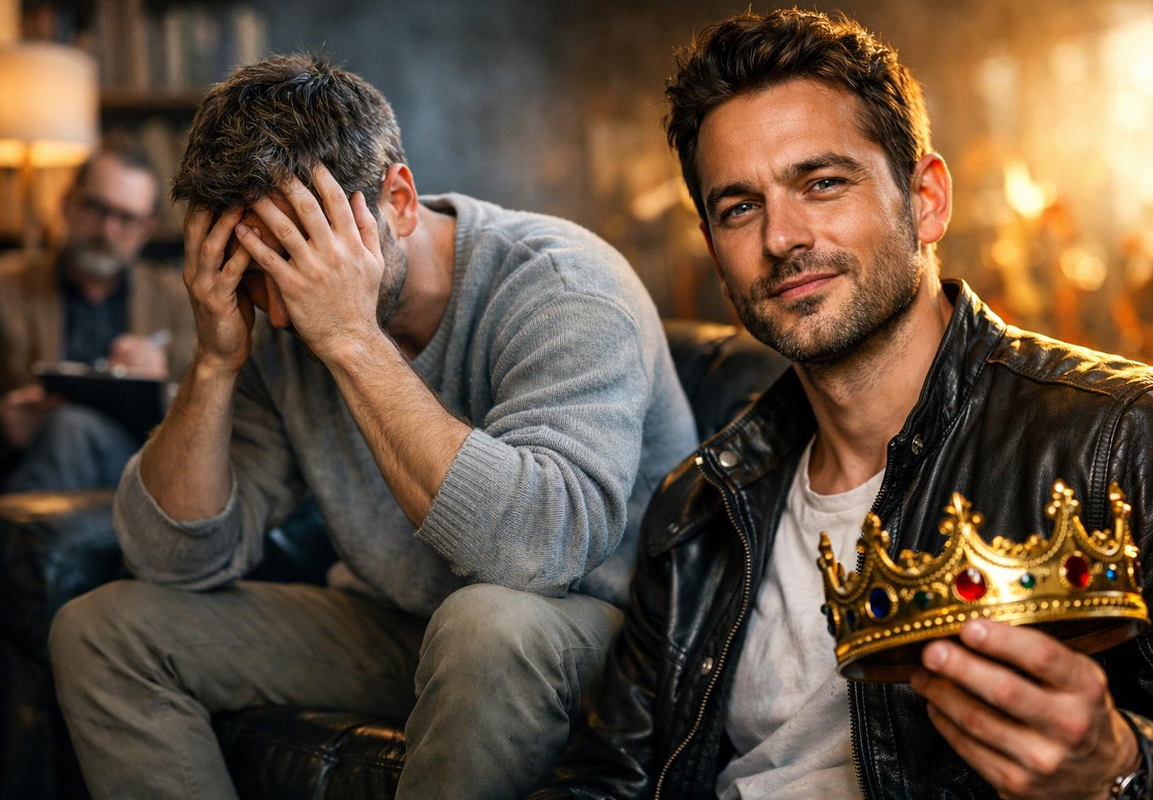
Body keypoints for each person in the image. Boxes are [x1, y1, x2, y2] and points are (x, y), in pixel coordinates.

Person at [533, 9, 1153, 800]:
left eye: (822, 183)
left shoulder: (1139, 444)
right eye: (739, 207)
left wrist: (1118, 764)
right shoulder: (699, 510)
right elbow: (603, 780)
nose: (781, 238)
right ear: (715, 253)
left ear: (927, 199)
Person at [46, 55, 697, 800]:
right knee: (103, 630)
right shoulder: (273, 329)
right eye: (253, 270)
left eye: (302, 260)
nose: (281, 311)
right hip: (406, 624)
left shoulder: (565, 287)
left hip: (597, 638)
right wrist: (216, 361)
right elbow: (173, 561)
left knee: (487, 625)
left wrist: (351, 339)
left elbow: (540, 551)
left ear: (400, 202)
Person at [0, 146, 194, 491]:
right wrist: (4, 425)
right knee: (68, 428)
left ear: (147, 228)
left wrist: (162, 388)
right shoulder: (8, 290)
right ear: (66, 204)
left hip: (141, 468)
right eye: (96, 208)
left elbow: (216, 415)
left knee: (71, 427)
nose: (107, 230)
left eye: (127, 219)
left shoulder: (179, 301)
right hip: (32, 458)